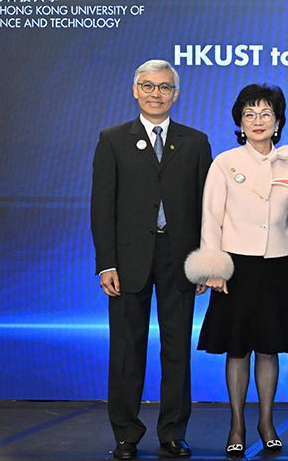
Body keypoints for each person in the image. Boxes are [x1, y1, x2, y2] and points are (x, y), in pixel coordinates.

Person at [91, 59, 212, 460]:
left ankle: (173, 433)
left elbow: (206, 207)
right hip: (128, 261)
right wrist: (106, 263)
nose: (155, 94)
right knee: (127, 349)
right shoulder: (112, 139)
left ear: (176, 94)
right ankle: (126, 435)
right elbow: (101, 207)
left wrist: (204, 262)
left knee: (177, 350)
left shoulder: (195, 141)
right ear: (135, 90)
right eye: (148, 86)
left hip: (180, 258)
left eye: (164, 87)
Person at [183, 84, 288, 457]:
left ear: (278, 122)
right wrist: (213, 267)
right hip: (236, 267)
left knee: (270, 348)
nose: (258, 121)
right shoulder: (225, 162)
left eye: (266, 114)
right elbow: (211, 216)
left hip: (277, 264)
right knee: (237, 349)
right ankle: (236, 424)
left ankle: (266, 422)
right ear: (239, 122)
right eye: (249, 114)